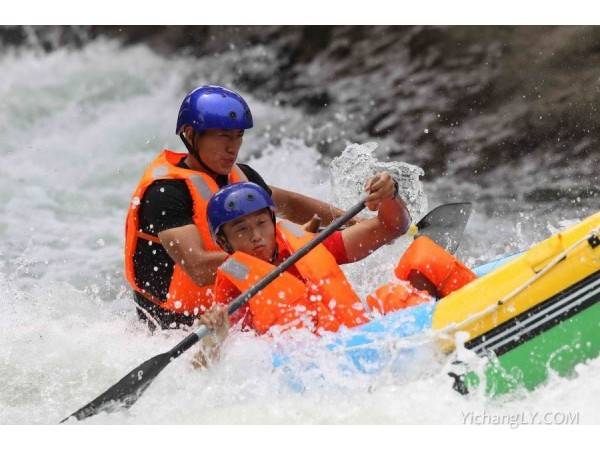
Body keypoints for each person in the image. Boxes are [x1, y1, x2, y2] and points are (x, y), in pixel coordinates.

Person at [124, 85, 358, 331]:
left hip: (235, 306)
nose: (232, 147)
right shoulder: (165, 193)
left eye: (238, 136)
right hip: (173, 325)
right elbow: (198, 268)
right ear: (191, 134)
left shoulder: (242, 176)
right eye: (223, 136)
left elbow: (291, 205)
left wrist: (356, 221)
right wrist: (277, 256)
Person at [205, 178, 477, 336]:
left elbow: (391, 227)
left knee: (419, 262)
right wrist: (213, 338)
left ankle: (482, 315)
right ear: (223, 241)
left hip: (354, 337)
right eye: (242, 229)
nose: (256, 236)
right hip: (309, 364)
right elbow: (215, 367)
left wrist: (390, 196)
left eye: (262, 223)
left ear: (272, 220)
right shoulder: (232, 291)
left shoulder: (306, 245)